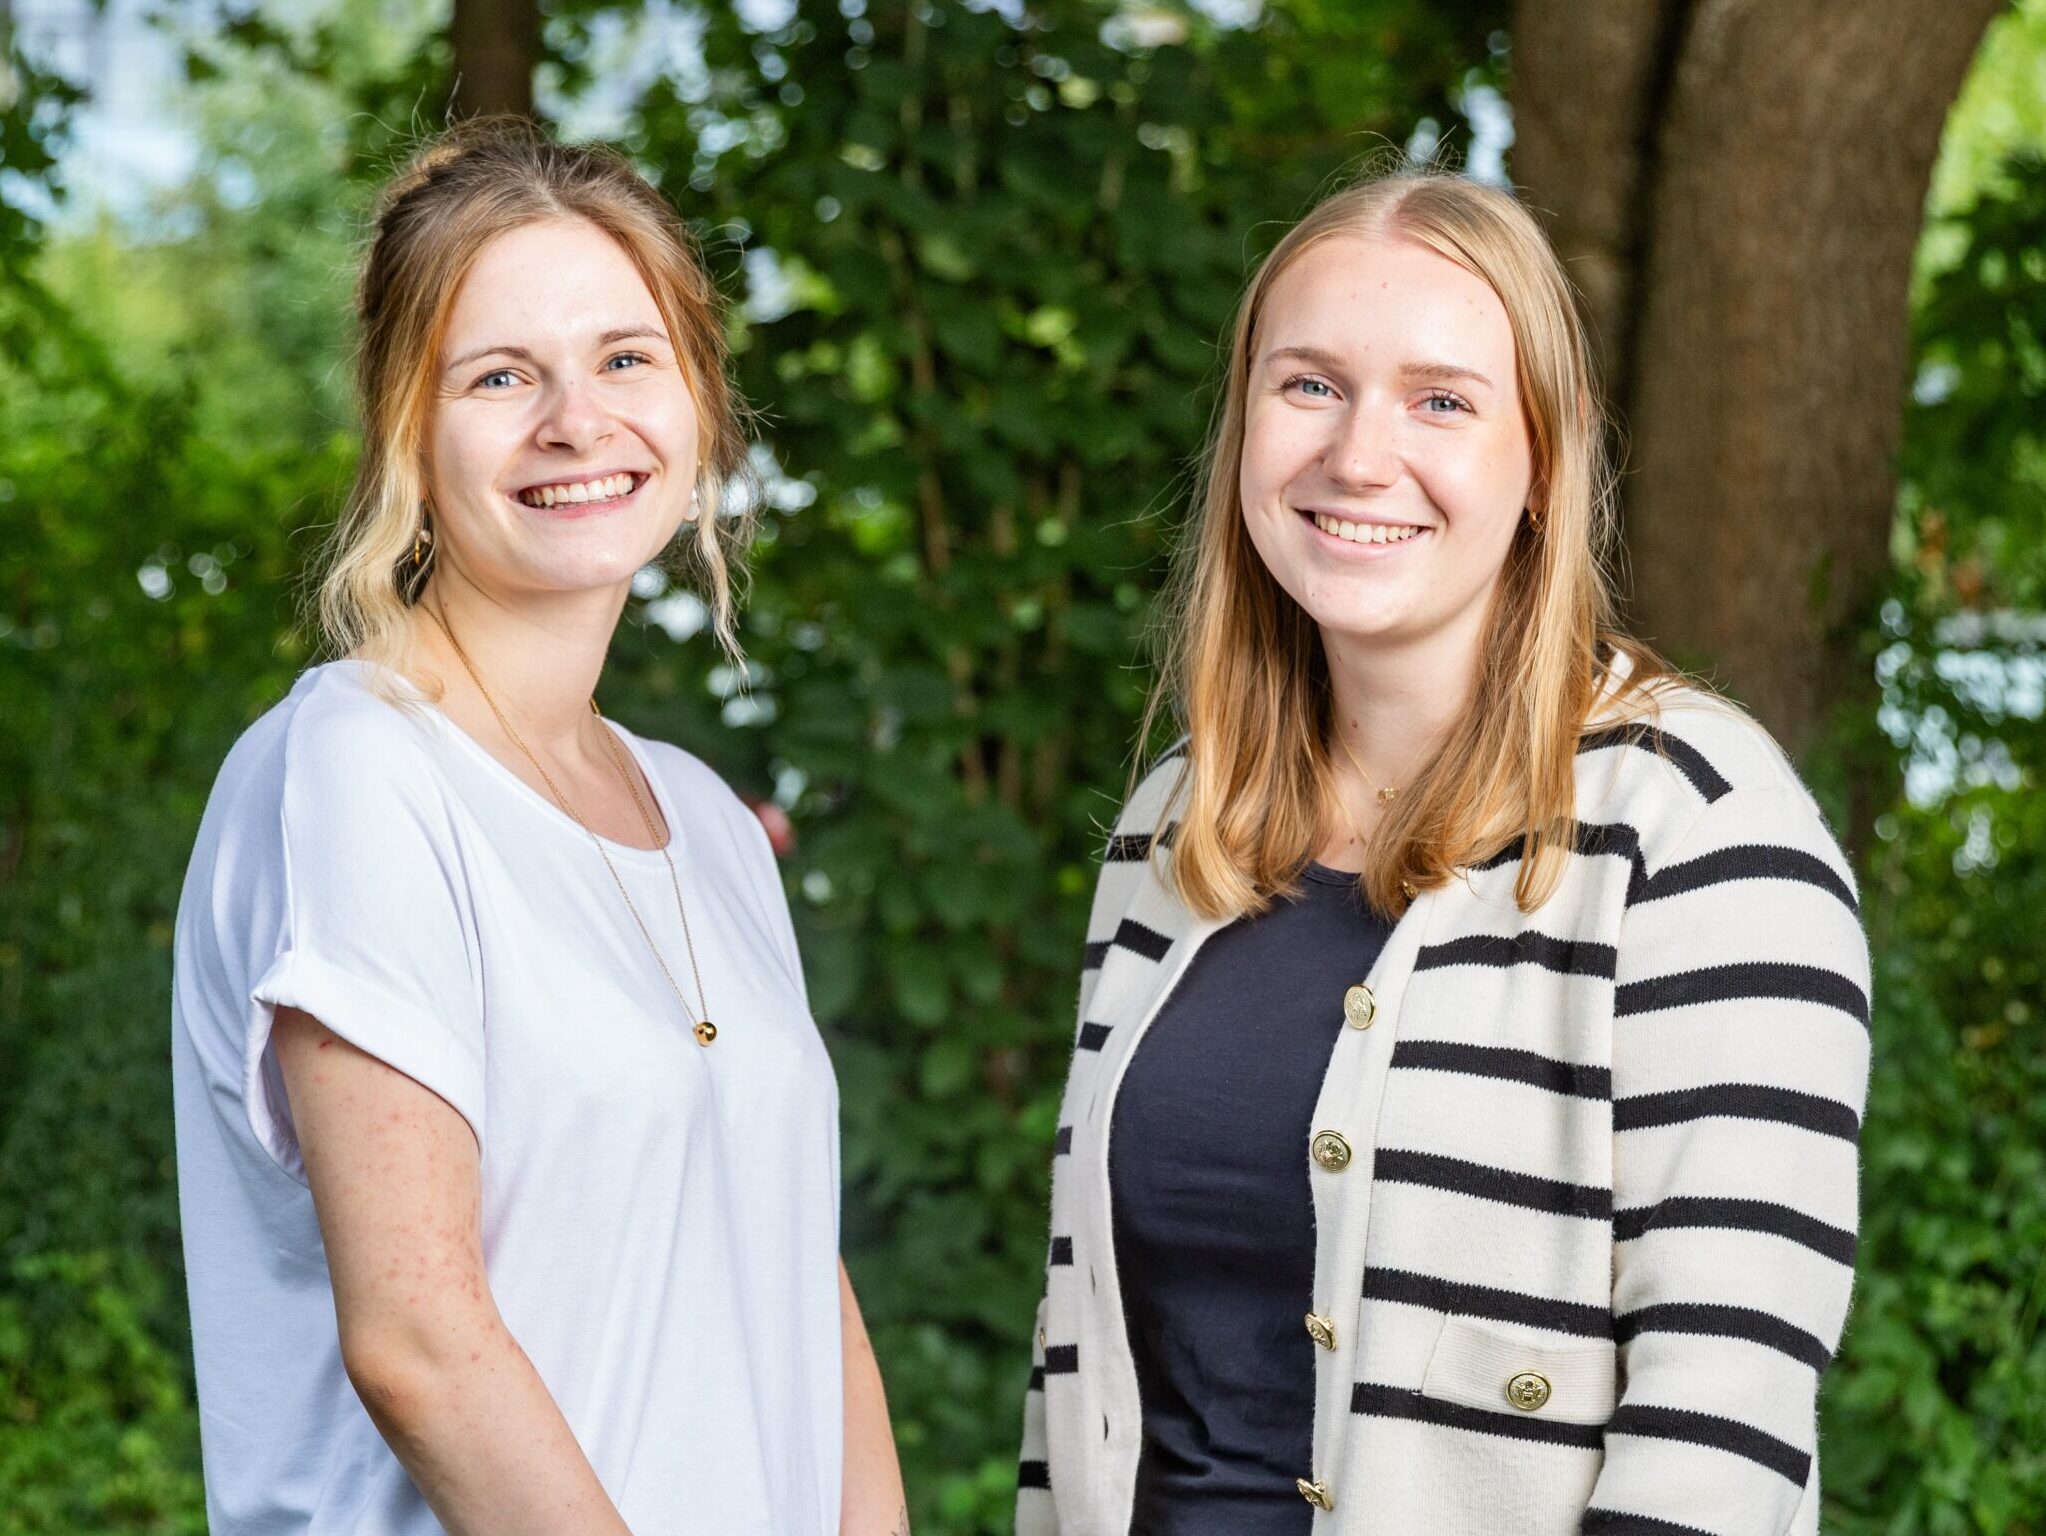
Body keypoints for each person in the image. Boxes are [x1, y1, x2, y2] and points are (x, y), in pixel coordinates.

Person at [1016, 166, 1871, 1535]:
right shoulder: (1175, 823)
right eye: (1307, 386)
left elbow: (1721, 1423)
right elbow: (1081, 1369)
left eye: (1440, 400)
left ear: (1542, 456)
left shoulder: (1696, 826)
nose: (1358, 456)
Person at [170, 120, 905, 1536]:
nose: (579, 421)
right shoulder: (354, 770)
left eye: (626, 357)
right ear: (406, 427)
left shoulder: (704, 820)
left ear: (697, 398)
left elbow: (800, 1281)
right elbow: (420, 1345)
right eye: (502, 376)